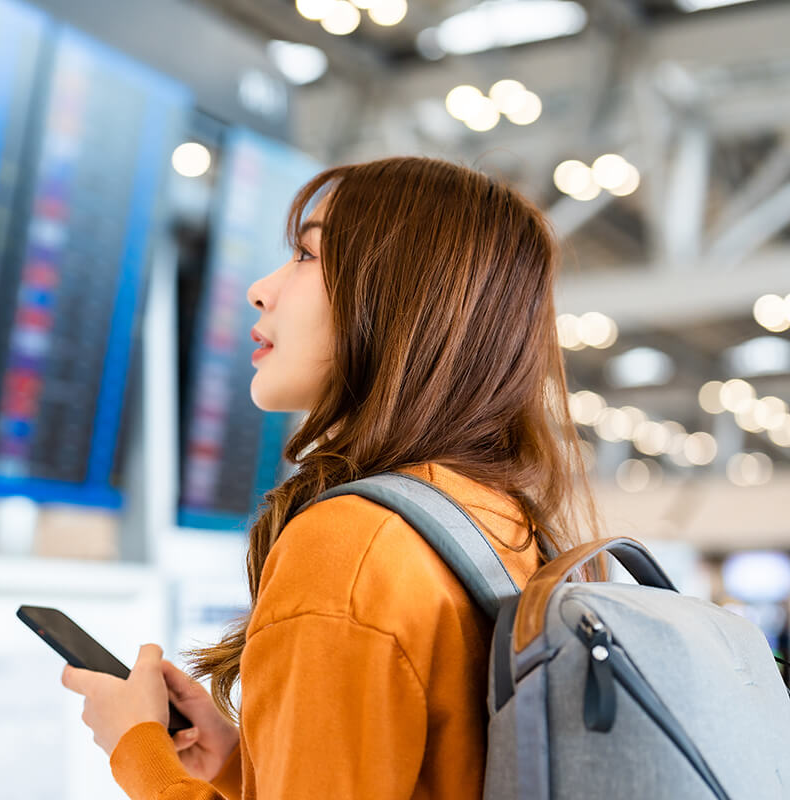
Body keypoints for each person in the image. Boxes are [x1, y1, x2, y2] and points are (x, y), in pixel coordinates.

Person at [59, 156, 602, 799]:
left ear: (404, 296)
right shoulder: (501, 522)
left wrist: (140, 751)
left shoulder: (351, 545)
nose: (262, 288)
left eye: (307, 257)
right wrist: (242, 763)